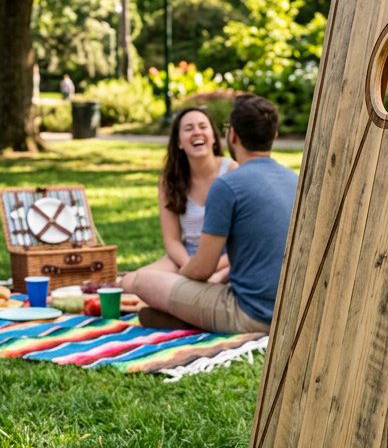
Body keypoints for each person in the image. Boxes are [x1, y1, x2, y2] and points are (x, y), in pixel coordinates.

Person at [126, 94, 298, 333]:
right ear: (274, 135)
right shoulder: (295, 179)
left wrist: (180, 282)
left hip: (250, 313)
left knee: (143, 281)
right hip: (290, 310)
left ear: (233, 135)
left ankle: (185, 316)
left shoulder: (228, 184)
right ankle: (182, 318)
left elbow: (201, 270)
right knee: (157, 295)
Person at [130, 105, 236, 282]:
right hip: (187, 256)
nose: (197, 132)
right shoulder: (169, 180)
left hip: (228, 257)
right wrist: (191, 268)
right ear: (179, 142)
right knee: (132, 281)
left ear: (213, 138)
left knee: (211, 283)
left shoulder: (232, 171)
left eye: (203, 127)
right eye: (188, 129)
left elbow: (243, 240)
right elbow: (171, 241)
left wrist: (204, 270)